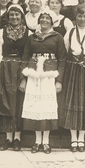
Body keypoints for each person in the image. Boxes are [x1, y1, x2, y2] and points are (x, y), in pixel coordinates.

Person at [20, 10, 66, 154]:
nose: (45, 20)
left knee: (46, 107)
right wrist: (23, 79)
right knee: (35, 107)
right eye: (42, 18)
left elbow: (62, 59)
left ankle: (45, 142)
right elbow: (25, 56)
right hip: (34, 75)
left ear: (52, 22)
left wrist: (59, 80)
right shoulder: (32, 37)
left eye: (47, 18)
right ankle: (37, 141)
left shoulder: (57, 37)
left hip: (49, 75)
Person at [59, 5, 85, 152]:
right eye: (79, 16)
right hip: (72, 69)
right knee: (71, 102)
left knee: (84, 104)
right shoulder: (69, 32)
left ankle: (81, 138)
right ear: (75, 18)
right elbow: (64, 50)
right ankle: (73, 138)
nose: (82, 19)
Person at [0, 4, 29, 151]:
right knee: (6, 101)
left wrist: (24, 74)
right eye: (11, 15)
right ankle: (8, 137)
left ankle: (17, 138)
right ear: (8, 17)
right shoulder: (0, 33)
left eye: (17, 15)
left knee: (19, 102)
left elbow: (28, 54)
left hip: (21, 68)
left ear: (21, 16)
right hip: (6, 67)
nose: (14, 17)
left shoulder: (29, 33)